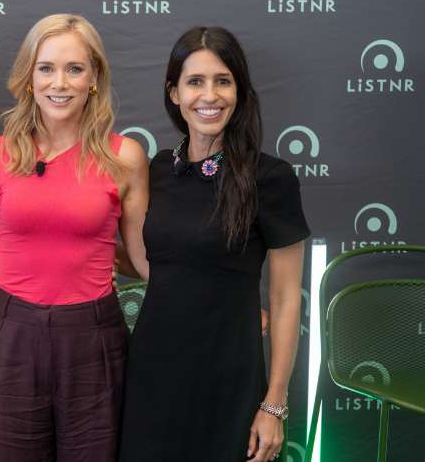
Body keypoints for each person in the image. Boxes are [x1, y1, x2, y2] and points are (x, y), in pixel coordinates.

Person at [0, 13, 150, 462]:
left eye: (74, 69)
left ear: (94, 77)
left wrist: (219, 302)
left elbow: (144, 260)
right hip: (13, 336)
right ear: (29, 76)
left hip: (94, 337)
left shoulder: (125, 157)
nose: (60, 83)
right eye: (47, 68)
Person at [119, 26, 309, 462]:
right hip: (152, 372)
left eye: (223, 81)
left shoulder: (271, 178)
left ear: (239, 91)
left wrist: (273, 403)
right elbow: (160, 261)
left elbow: (284, 300)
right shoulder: (158, 170)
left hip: (229, 376)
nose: (211, 95)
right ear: (174, 93)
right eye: (195, 82)